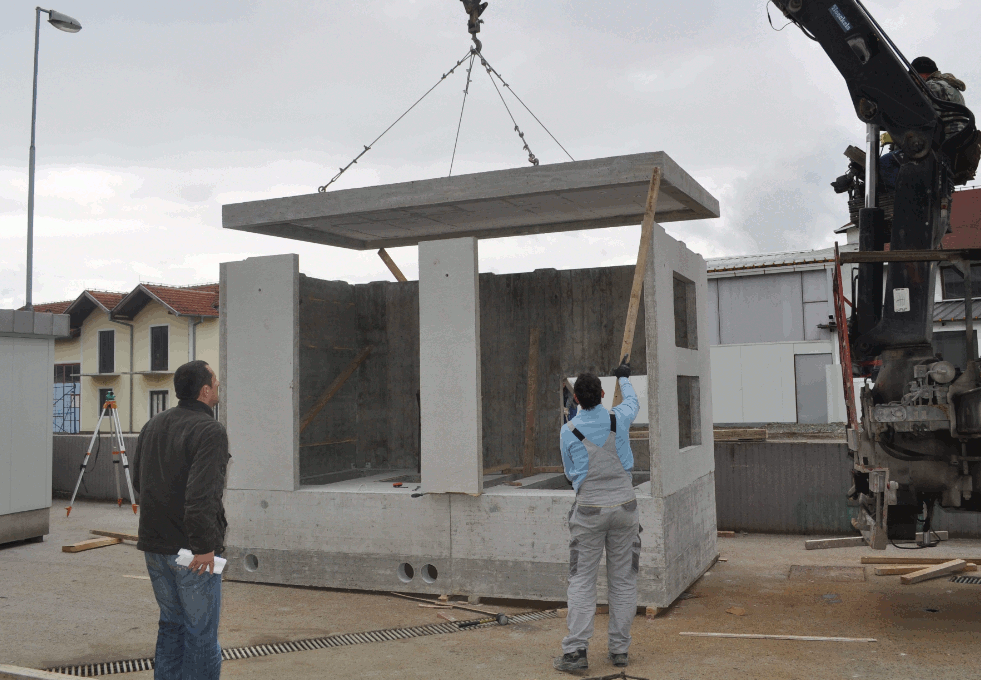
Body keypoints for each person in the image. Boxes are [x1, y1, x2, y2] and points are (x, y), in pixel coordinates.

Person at [132, 360, 230, 680]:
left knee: (171, 627)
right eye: (215, 381)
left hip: (155, 547)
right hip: (193, 553)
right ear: (205, 391)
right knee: (201, 635)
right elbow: (202, 496)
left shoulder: (153, 425)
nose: (218, 386)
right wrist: (205, 548)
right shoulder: (210, 430)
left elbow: (138, 483)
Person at [553, 359, 640, 673]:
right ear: (603, 394)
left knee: (581, 582)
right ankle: (619, 650)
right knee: (623, 581)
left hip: (589, 510)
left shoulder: (569, 431)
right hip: (625, 508)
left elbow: (570, 472)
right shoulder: (618, 418)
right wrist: (624, 378)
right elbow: (632, 402)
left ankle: (576, 652)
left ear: (575, 399)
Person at [880, 57, 970, 191]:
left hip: (942, 146)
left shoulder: (931, 87)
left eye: (913, 77)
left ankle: (910, 198)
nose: (914, 82)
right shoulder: (949, 86)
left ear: (920, 74)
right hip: (955, 143)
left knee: (885, 163)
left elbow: (917, 119)